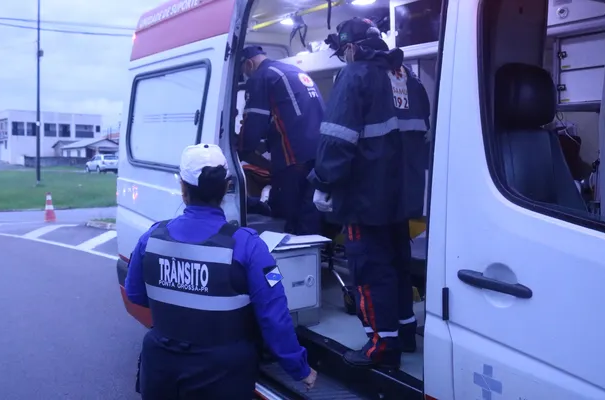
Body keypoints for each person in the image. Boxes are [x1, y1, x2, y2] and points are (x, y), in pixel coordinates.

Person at [124, 143, 318, 399]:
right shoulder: (250, 246)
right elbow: (274, 316)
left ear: (183, 188)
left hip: (162, 371)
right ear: (227, 187)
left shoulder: (151, 237)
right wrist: (300, 369)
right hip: (222, 377)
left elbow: (135, 294)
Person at [309, 18, 431, 368]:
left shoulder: (354, 76)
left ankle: (381, 345)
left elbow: (337, 137)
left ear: (351, 47)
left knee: (367, 270)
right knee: (396, 266)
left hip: (364, 198)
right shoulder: (409, 78)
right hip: (403, 197)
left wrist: (323, 182)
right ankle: (405, 334)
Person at [238, 45, 324, 235]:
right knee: (309, 213)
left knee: (287, 215)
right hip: (318, 154)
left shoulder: (262, 77)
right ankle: (312, 260)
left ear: (249, 64)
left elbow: (253, 125)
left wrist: (240, 147)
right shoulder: (292, 70)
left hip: (293, 158)